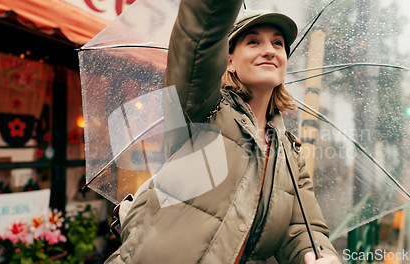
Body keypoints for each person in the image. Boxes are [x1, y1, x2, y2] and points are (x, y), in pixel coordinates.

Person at [105, 0, 340, 263]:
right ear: (228, 61)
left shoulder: (290, 154)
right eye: (253, 42)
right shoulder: (202, 110)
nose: (269, 51)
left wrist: (318, 254)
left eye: (278, 43)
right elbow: (198, 40)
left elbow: (302, 229)